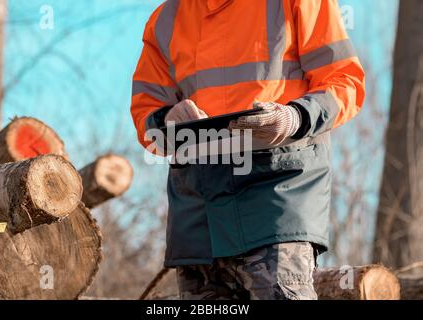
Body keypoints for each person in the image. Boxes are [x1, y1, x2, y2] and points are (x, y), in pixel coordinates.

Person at [131, 0, 365, 300]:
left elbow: (345, 81)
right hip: (198, 216)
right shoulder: (165, 19)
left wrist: (295, 118)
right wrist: (166, 119)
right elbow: (146, 114)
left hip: (277, 198)